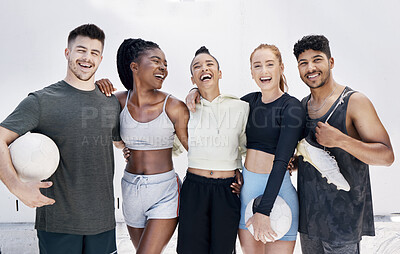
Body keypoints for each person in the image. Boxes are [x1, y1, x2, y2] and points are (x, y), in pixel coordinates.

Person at [0, 24, 121, 253]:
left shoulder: (110, 102)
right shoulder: (41, 101)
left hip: (103, 223)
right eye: (81, 50)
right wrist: (17, 187)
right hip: (58, 224)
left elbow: (120, 142)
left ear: (101, 58)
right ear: (68, 53)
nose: (87, 58)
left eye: (94, 53)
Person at [185, 44, 305, 254]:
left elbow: (280, 162)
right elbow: (219, 109)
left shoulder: (291, 107)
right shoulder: (248, 102)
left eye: (270, 64)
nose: (264, 71)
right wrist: (194, 90)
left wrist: (264, 210)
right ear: (251, 72)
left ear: (281, 67)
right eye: (257, 66)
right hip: (247, 194)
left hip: (278, 197)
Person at [293, 35, 394, 254]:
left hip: (343, 223)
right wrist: (295, 162)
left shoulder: (354, 101)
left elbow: (386, 156)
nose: (310, 67)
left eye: (317, 59)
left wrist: (341, 140)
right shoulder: (302, 105)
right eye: (303, 63)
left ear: (331, 62)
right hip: (309, 221)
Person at [99, 38, 189, 254]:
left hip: (165, 191)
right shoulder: (118, 101)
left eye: (165, 64)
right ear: (134, 67)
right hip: (131, 190)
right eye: (156, 61)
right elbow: (109, 131)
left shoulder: (174, 106)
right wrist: (96, 86)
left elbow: (195, 151)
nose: (163, 68)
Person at [176, 46, 249, 254]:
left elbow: (247, 149)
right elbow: (171, 147)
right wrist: (129, 150)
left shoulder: (240, 107)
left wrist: (245, 178)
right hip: (194, 188)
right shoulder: (185, 109)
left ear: (219, 73)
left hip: (227, 190)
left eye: (209, 64)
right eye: (197, 67)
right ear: (193, 79)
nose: (203, 69)